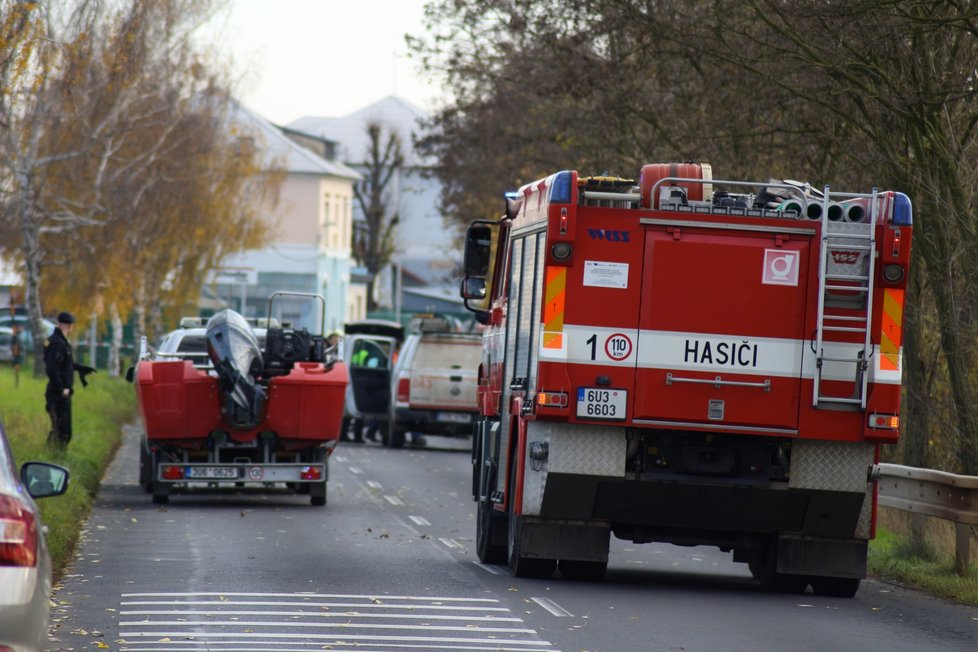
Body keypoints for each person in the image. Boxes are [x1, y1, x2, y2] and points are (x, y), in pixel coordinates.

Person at [44, 312, 96, 447]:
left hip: (61, 392)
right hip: (58, 393)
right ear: (61, 324)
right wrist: (61, 388)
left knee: (62, 430)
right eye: (67, 325)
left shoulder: (61, 342)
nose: (69, 327)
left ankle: (54, 454)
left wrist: (80, 368)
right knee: (62, 431)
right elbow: (52, 369)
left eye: (69, 325)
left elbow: (65, 364)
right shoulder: (57, 343)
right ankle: (52, 455)